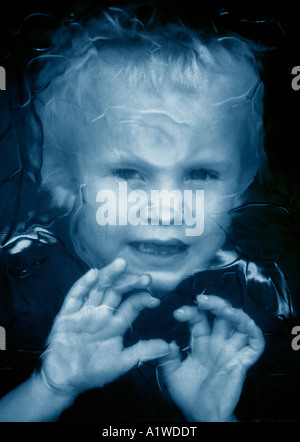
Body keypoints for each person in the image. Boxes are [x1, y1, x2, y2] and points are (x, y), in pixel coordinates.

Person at [0, 2, 299, 422]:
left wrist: (214, 417)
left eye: (201, 173)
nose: (166, 210)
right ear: (66, 183)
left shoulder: (269, 310)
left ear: (241, 187)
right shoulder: (13, 288)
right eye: (128, 173)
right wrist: (50, 387)